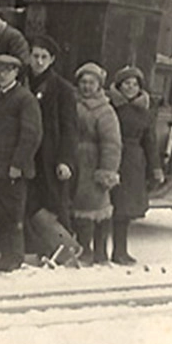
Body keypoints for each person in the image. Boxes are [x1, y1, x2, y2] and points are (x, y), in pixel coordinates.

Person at [0, 55, 43, 271]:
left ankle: (13, 257)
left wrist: (18, 164)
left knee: (13, 213)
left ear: (16, 73)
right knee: (1, 212)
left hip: (11, 169)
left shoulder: (25, 99)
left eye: (7, 70)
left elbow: (31, 134)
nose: (1, 75)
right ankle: (7, 255)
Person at [108, 66, 164, 264]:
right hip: (113, 158)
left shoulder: (145, 112)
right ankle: (102, 251)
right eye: (126, 84)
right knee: (109, 207)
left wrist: (155, 169)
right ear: (119, 86)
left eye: (134, 85)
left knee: (125, 209)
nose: (130, 88)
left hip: (134, 163)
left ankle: (120, 251)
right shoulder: (111, 107)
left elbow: (150, 141)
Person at [26, 34, 78, 233]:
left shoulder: (63, 90)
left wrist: (65, 160)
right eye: (35, 56)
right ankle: (32, 246)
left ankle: (63, 249)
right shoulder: (22, 82)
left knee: (54, 202)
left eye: (44, 57)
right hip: (27, 153)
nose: (39, 62)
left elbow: (69, 128)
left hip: (50, 155)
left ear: (52, 59)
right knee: (27, 202)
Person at [72, 62, 122, 266]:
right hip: (76, 162)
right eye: (83, 82)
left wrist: (107, 170)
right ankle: (84, 248)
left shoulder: (105, 110)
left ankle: (99, 252)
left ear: (99, 85)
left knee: (98, 207)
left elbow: (112, 143)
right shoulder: (73, 104)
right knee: (78, 207)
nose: (86, 87)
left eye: (91, 83)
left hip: (94, 163)